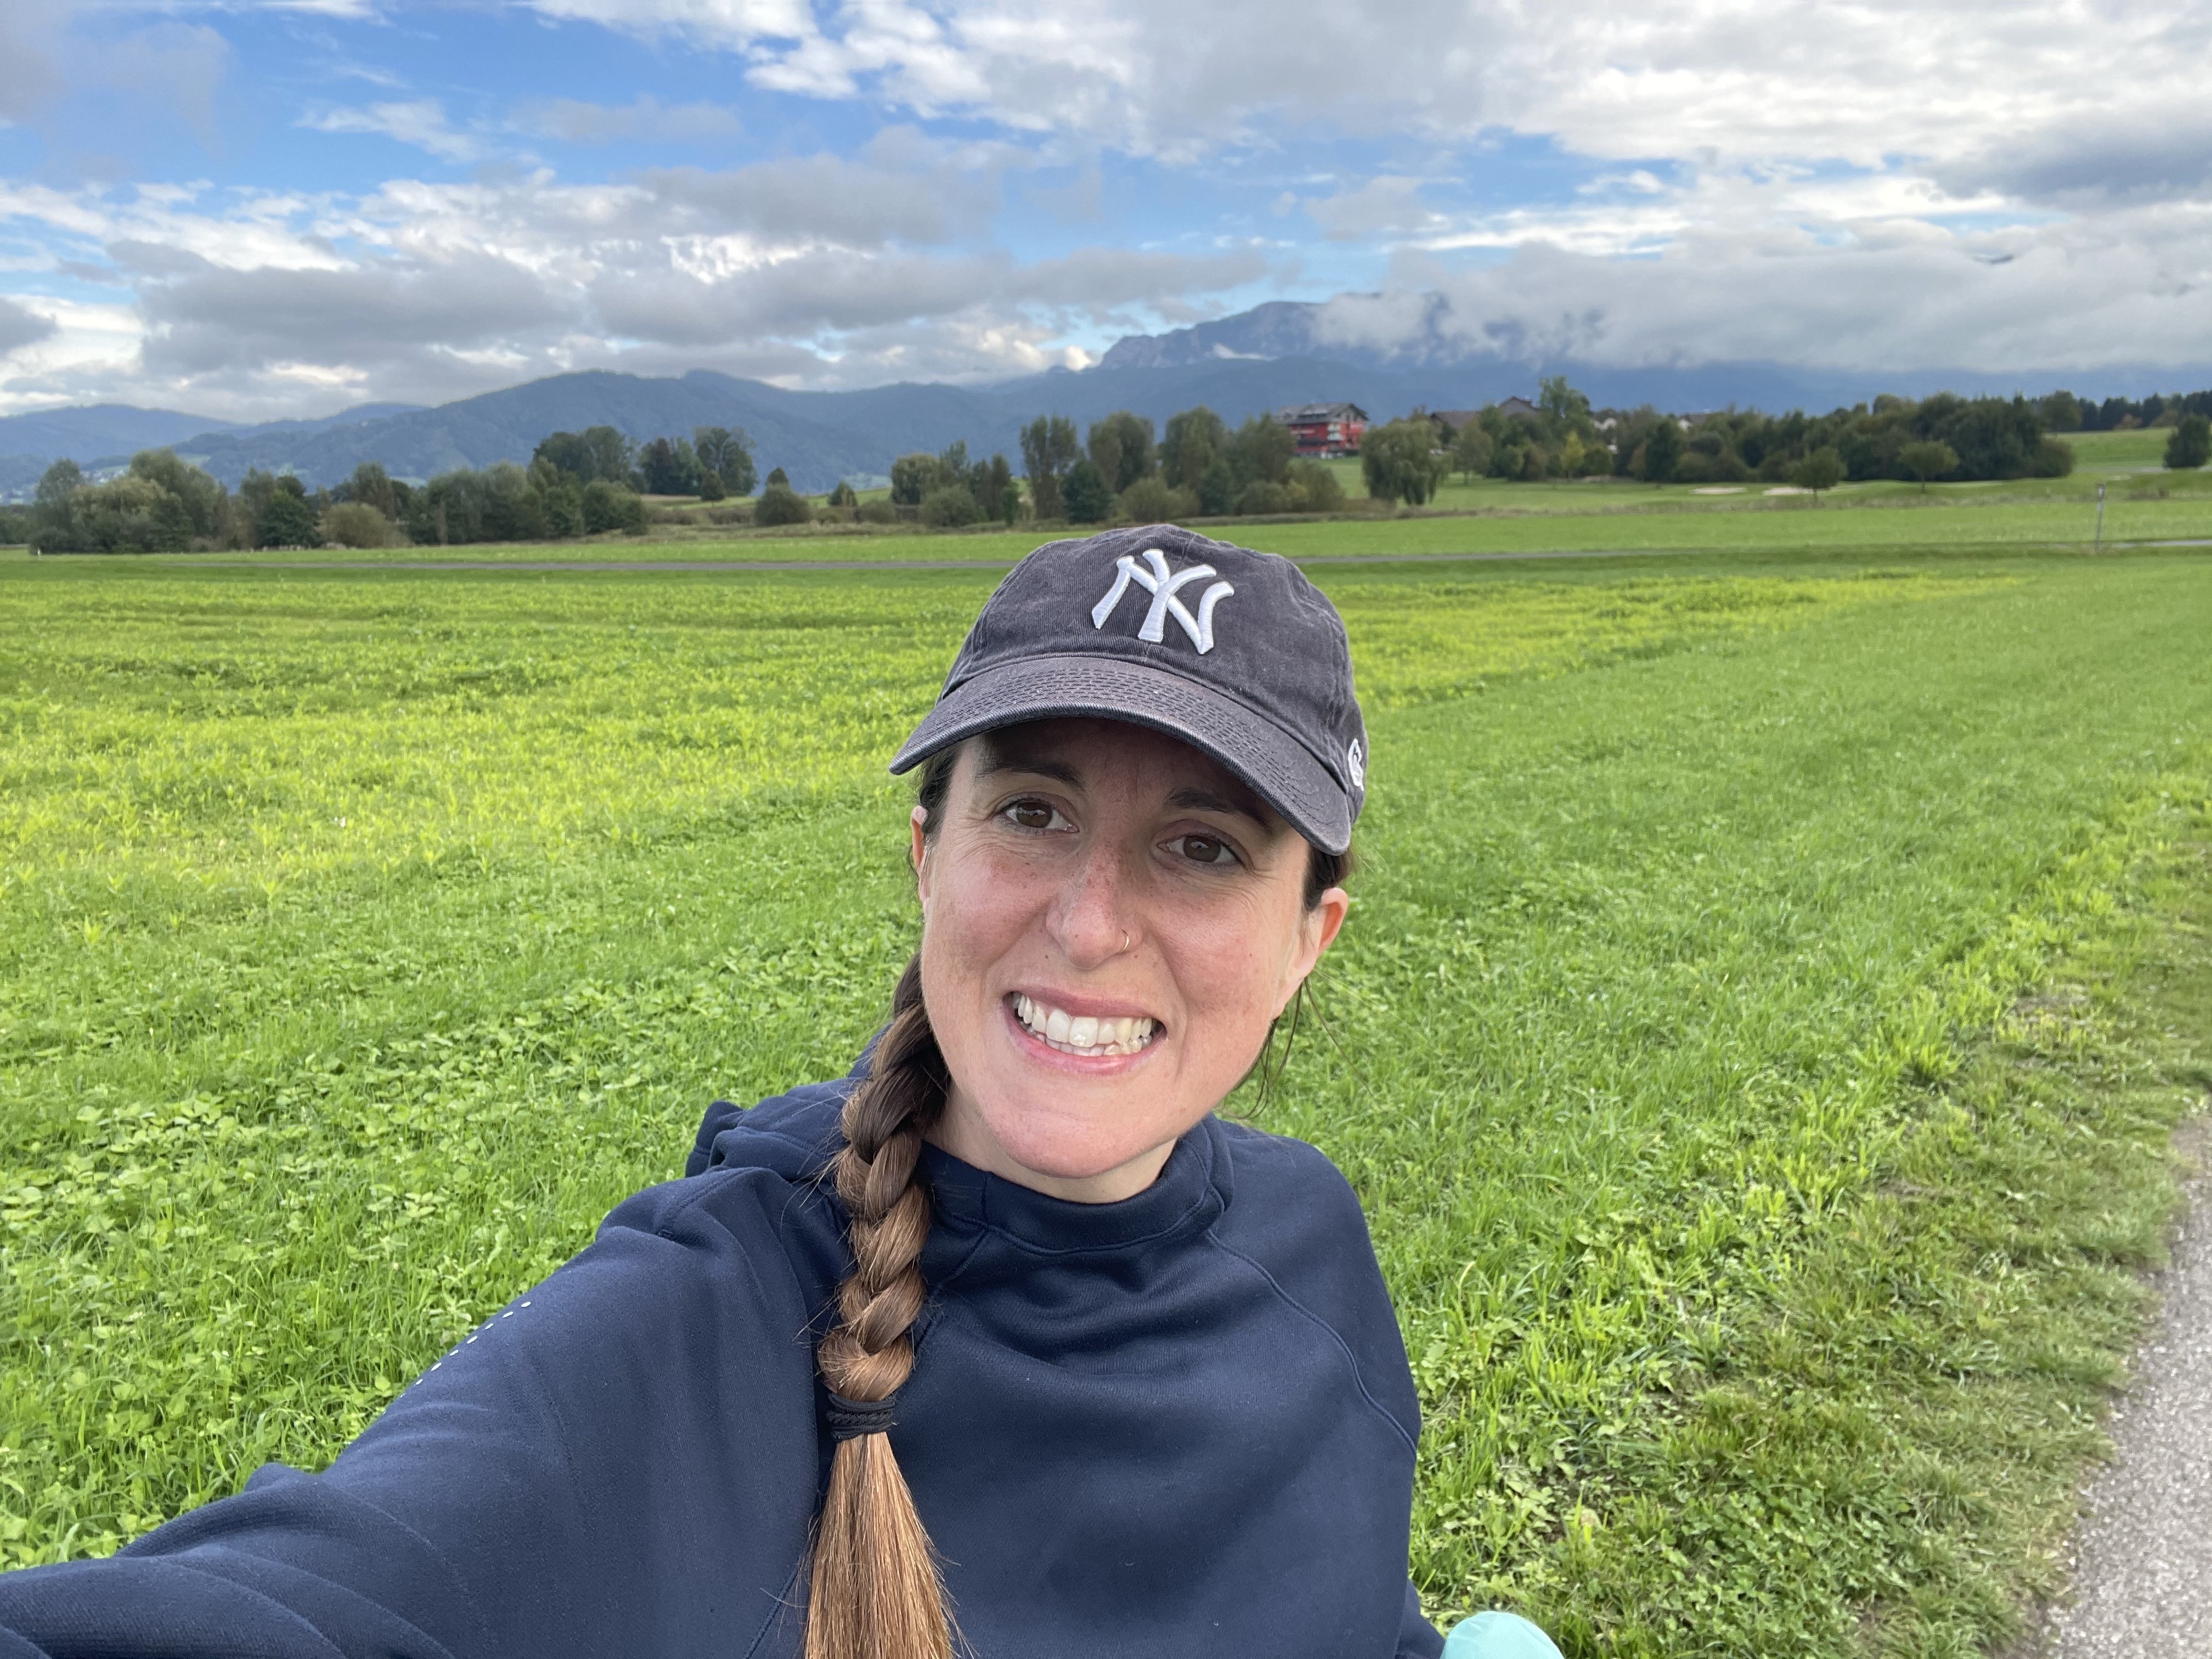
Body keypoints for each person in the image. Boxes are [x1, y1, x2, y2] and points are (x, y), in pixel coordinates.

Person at [0, 524, 1559, 1659]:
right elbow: (310, 1594)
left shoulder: (1307, 1238)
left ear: (1308, 940)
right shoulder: (700, 1327)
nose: (1091, 926)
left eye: (1203, 847)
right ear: (929, 858)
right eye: (1032, 811)